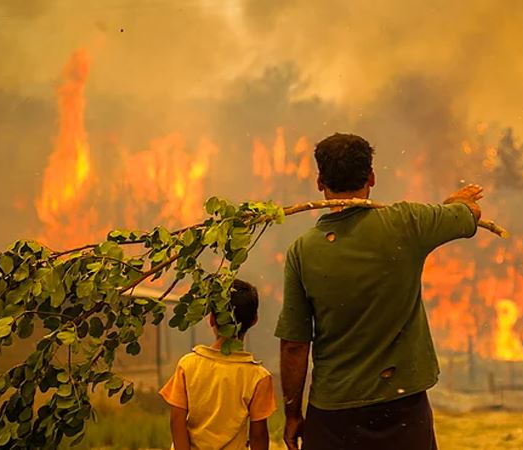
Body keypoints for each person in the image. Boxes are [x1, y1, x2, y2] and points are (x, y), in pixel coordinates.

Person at [275, 133, 483, 450]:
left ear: (319, 182)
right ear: (371, 177)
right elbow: (469, 214)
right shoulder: (408, 223)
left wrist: (292, 413)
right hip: (401, 410)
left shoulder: (302, 252)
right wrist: (457, 205)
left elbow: (294, 345)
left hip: (334, 416)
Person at [159, 279, 276, 450]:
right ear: (254, 320)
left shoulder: (188, 365)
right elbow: (258, 436)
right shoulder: (258, 377)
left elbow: (177, 420)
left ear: (212, 319)